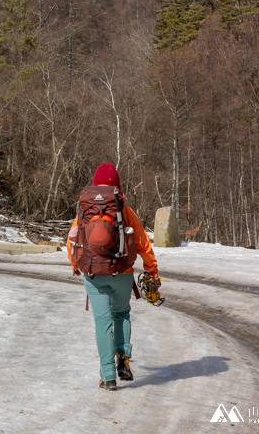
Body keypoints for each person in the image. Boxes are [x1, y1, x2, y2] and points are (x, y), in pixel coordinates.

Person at [67, 162, 158, 391]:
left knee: (102, 322)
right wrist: (151, 271)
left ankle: (107, 377)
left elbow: (72, 239)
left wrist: (76, 265)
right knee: (121, 314)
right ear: (117, 186)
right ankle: (123, 362)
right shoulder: (124, 210)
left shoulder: (85, 209)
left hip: (94, 273)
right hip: (122, 273)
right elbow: (143, 244)